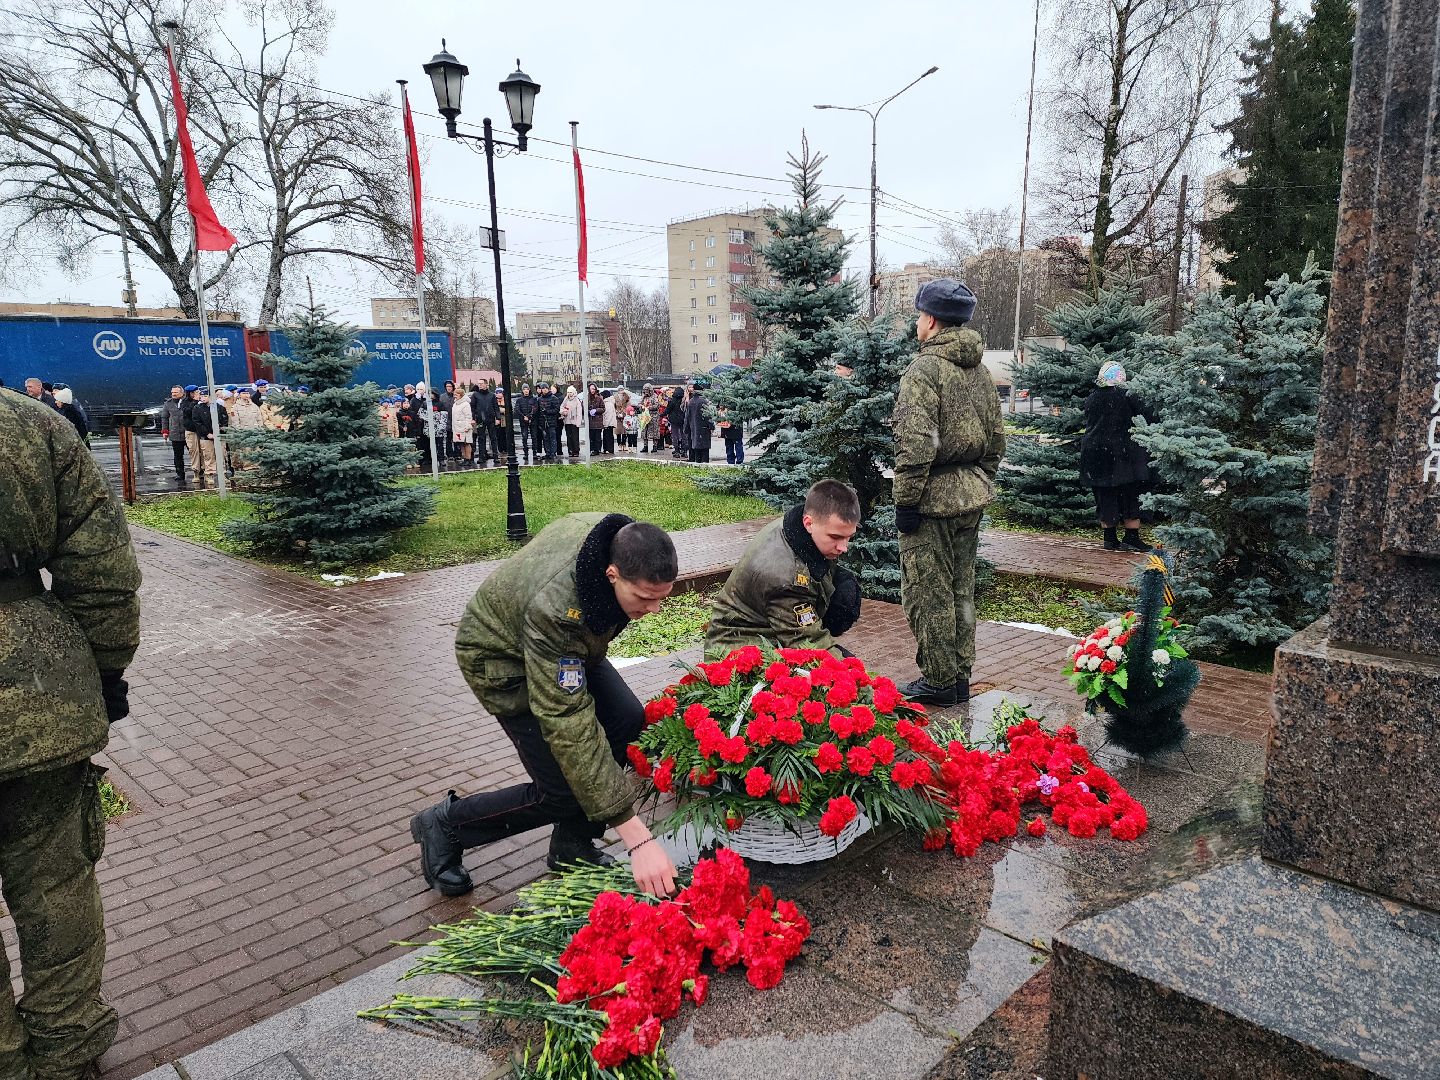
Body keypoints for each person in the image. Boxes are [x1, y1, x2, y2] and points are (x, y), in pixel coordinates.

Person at [410, 513, 681, 896]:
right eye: (644, 598)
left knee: (625, 723)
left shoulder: (619, 542)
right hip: (503, 658)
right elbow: (566, 717)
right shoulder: (558, 609)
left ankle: (572, 846)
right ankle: (446, 824)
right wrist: (636, 837)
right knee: (561, 790)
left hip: (563, 646)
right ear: (612, 575)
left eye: (661, 598)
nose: (653, 610)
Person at [0, 385, 141, 1080]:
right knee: (56, 885)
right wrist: (105, 670)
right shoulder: (29, 426)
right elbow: (102, 569)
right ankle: (67, 1045)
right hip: (34, 697)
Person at [892, 279, 1005, 707]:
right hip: (970, 495)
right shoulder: (977, 369)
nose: (918, 323)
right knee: (961, 590)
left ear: (932, 320)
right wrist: (981, 480)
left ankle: (939, 681)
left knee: (927, 591)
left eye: (920, 316)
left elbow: (916, 442)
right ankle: (959, 675)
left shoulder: (925, 370)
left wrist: (906, 500)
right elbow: (996, 437)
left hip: (931, 500)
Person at [705, 479, 864, 659]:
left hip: (770, 628)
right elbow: (808, 644)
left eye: (848, 537)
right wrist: (862, 684)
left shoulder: (799, 526)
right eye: (835, 537)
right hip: (736, 649)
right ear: (809, 523)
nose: (844, 547)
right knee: (841, 674)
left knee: (845, 591)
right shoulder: (786, 578)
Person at [1080, 361, 1154, 552]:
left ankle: (1110, 538)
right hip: (1124, 452)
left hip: (1095, 452)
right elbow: (1149, 417)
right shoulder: (1129, 396)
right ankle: (1131, 537)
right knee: (1131, 493)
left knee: (1104, 494)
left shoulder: (1092, 398)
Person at [189, 388, 229, 482]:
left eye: (205, 396)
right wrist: (207, 433)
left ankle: (223, 474)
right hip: (206, 437)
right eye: (202, 396)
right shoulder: (197, 408)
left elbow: (224, 419)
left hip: (219, 435)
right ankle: (210, 474)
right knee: (208, 455)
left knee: (221, 455)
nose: (203, 398)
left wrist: (220, 430)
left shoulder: (219, 407)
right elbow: (197, 422)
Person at [161, 385, 189, 482]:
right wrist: (165, 431)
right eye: (172, 392)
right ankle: (180, 474)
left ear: (182, 393)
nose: (173, 394)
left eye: (176, 392)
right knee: (178, 456)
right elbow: (164, 418)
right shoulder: (168, 404)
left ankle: (199, 473)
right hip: (175, 433)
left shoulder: (188, 402)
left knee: (195, 454)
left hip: (188, 432)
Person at [181, 384, 206, 483]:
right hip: (191, 431)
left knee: (204, 451)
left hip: (202, 430)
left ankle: (205, 471)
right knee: (194, 451)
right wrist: (195, 401)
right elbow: (187, 412)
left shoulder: (202, 401)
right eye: (195, 393)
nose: (197, 394)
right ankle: (196, 471)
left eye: (197, 392)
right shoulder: (184, 402)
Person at [684, 380, 714, 463]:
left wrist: (686, 429)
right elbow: (708, 416)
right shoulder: (704, 402)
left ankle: (698, 466)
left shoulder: (691, 401)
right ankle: (704, 467)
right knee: (704, 451)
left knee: (696, 449)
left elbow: (687, 416)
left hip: (693, 428)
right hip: (704, 429)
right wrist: (711, 426)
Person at [471, 380, 499, 464]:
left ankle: (495, 456)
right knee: (481, 438)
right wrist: (472, 418)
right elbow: (472, 407)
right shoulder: (475, 395)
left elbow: (496, 407)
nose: (480, 385)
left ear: (486, 384)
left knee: (493, 438)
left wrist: (498, 418)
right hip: (480, 420)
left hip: (490, 419)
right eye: (478, 384)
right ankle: (481, 457)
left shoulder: (492, 395)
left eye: (481, 383)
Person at [537, 382, 562, 461]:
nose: (544, 390)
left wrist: (547, 411)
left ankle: (553, 453)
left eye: (545, 388)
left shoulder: (554, 398)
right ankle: (547, 453)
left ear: (548, 389)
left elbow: (556, 410)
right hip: (543, 422)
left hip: (551, 421)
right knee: (545, 438)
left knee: (552, 438)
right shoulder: (539, 399)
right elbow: (538, 411)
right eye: (543, 388)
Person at [451, 384, 475, 464]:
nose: (455, 396)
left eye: (456, 395)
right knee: (461, 443)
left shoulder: (465, 404)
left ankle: (468, 459)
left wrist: (468, 426)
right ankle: (464, 458)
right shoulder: (455, 404)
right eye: (454, 395)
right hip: (457, 428)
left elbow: (468, 416)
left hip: (464, 427)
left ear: (461, 395)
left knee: (466, 443)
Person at [515, 382, 538, 460]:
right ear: (522, 390)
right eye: (524, 389)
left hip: (533, 420)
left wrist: (529, 416)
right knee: (524, 437)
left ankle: (535, 453)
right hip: (523, 421)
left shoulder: (534, 399)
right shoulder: (519, 400)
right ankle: (526, 453)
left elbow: (535, 409)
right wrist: (523, 417)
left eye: (527, 389)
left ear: (529, 389)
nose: (526, 391)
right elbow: (517, 409)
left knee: (534, 437)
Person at [561, 384, 584, 460]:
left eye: (570, 392)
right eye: (568, 392)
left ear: (574, 392)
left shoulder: (577, 400)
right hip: (567, 421)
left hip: (574, 422)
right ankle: (570, 451)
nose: (569, 394)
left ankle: (576, 451)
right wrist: (563, 412)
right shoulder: (566, 399)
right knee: (569, 437)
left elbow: (579, 413)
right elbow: (561, 407)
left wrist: (578, 423)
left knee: (575, 437)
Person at [666, 385, 687, 459]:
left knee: (675, 435)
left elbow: (667, 410)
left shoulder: (671, 401)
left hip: (674, 421)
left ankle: (677, 451)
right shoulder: (684, 401)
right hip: (682, 420)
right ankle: (684, 451)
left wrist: (662, 415)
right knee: (683, 435)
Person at [586, 382, 604, 457]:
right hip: (590, 421)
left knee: (597, 437)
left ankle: (597, 449)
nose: (592, 390)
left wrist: (596, 410)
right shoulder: (586, 398)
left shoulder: (599, 398)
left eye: (593, 389)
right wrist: (588, 411)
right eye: (591, 389)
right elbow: (583, 408)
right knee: (591, 437)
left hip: (598, 421)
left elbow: (603, 408)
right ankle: (592, 449)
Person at [601, 390, 617, 455]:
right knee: (608, 436)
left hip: (608, 423)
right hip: (610, 423)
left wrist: (606, 424)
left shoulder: (608, 403)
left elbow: (608, 415)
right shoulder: (610, 402)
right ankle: (608, 449)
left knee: (608, 436)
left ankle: (608, 449)